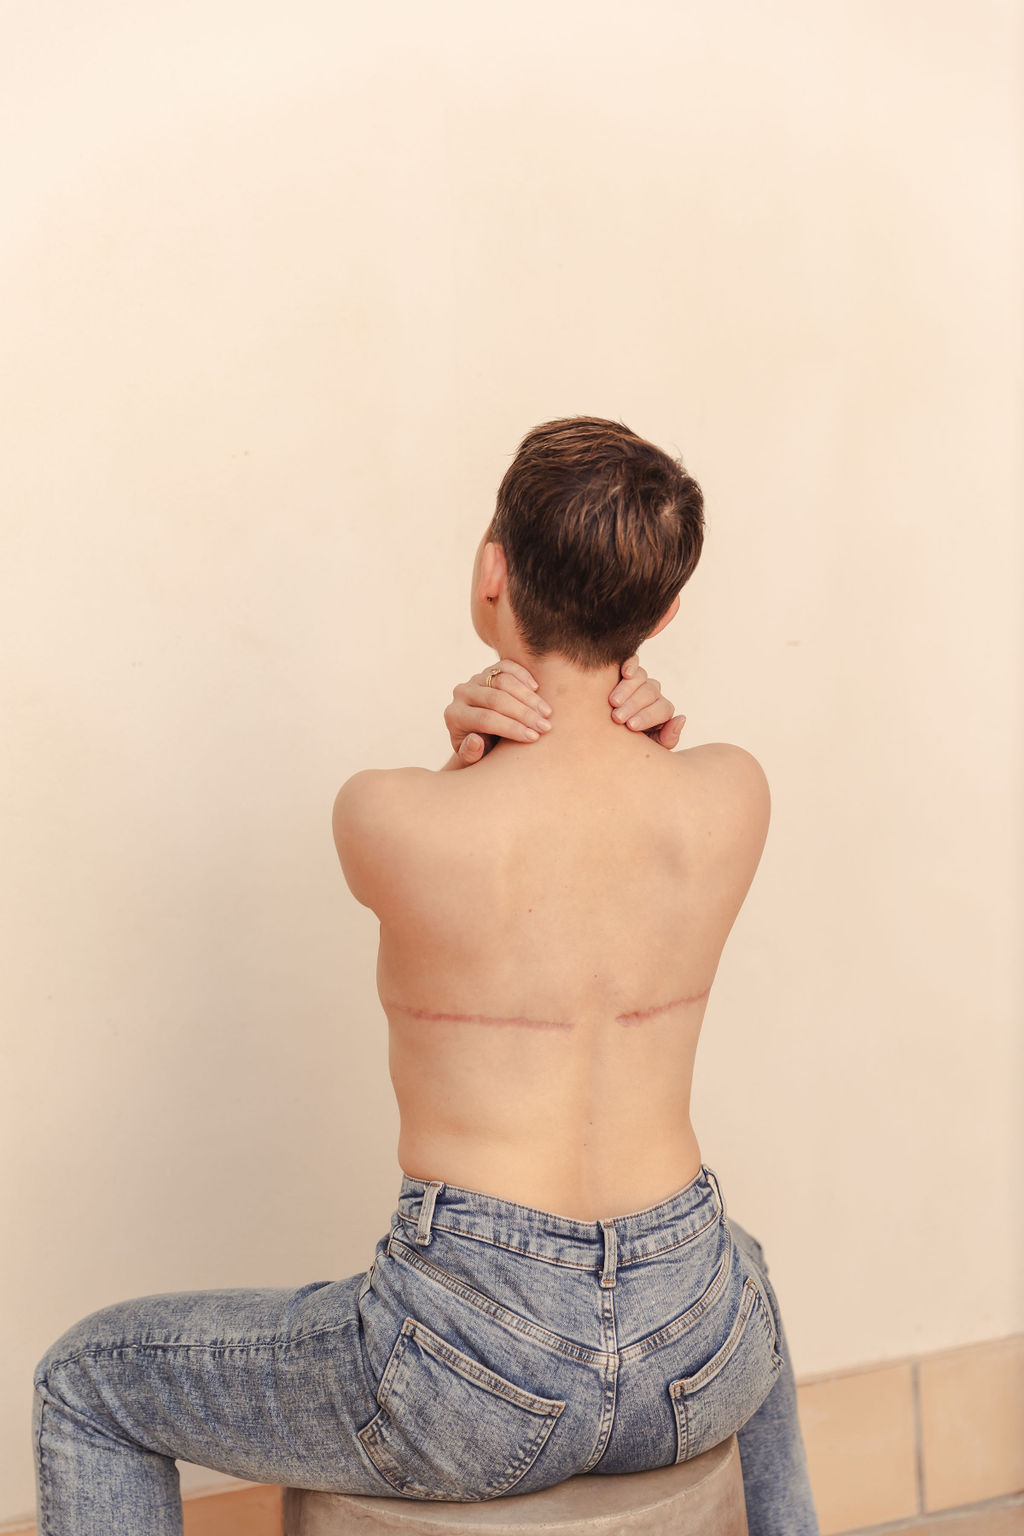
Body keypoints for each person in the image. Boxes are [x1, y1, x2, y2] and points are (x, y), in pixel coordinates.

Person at [32, 416, 819, 1535]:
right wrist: (629, 718)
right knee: (736, 1263)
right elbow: (597, 819)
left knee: (87, 1380)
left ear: (492, 570)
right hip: (693, 1351)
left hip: (475, 1380)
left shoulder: (387, 816)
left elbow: (479, 821)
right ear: (662, 615)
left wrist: (460, 744)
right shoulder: (735, 792)